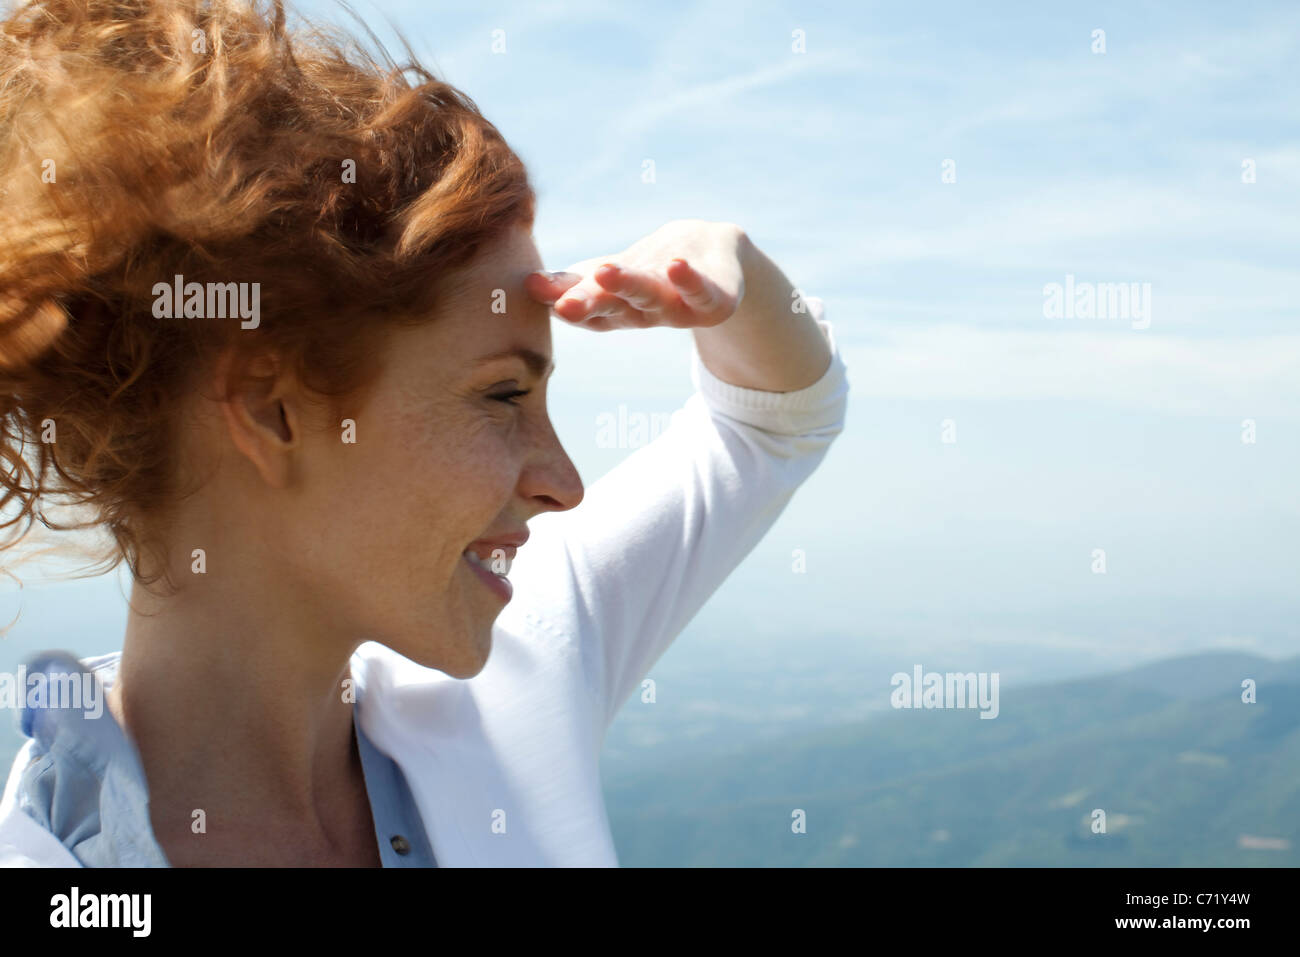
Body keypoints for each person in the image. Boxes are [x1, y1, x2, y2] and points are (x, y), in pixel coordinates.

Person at [0, 0, 848, 866]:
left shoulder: (519, 666)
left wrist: (728, 264)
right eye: (503, 394)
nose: (564, 481)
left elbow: (772, 420)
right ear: (268, 408)